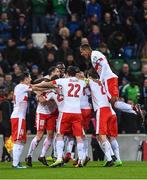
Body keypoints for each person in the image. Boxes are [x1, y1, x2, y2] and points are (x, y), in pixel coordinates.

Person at [33, 66, 87, 167]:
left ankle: (58, 158)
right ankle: (80, 159)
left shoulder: (63, 81)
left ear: (67, 73)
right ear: (76, 73)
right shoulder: (82, 82)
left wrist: (34, 87)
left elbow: (47, 84)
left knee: (60, 135)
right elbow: (87, 81)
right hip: (77, 112)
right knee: (78, 137)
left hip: (66, 112)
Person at [80, 44, 142, 116]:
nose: (82, 54)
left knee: (114, 102)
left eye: (82, 51)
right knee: (113, 103)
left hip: (109, 79)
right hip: (108, 79)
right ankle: (135, 110)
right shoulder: (93, 56)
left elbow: (105, 65)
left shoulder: (94, 54)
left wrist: (101, 79)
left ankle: (134, 108)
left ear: (86, 50)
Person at [88, 69, 122, 167]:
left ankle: (110, 158)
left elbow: (82, 80)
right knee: (111, 137)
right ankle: (118, 159)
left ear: (90, 76)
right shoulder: (104, 82)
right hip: (111, 111)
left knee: (101, 136)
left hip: (102, 111)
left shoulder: (90, 81)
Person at [11, 72, 32, 168]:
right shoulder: (21, 86)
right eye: (29, 77)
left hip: (20, 117)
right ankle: (15, 164)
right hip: (18, 117)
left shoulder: (21, 87)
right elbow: (35, 88)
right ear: (25, 78)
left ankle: (17, 162)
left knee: (22, 140)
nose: (30, 79)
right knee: (18, 139)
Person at [0, 89, 13, 162]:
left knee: (6, 141)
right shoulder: (8, 103)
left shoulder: (2, 103)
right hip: (8, 124)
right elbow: (10, 114)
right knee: (8, 141)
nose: (13, 95)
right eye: (11, 94)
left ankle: (4, 157)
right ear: (8, 95)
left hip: (3, 124)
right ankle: (7, 156)